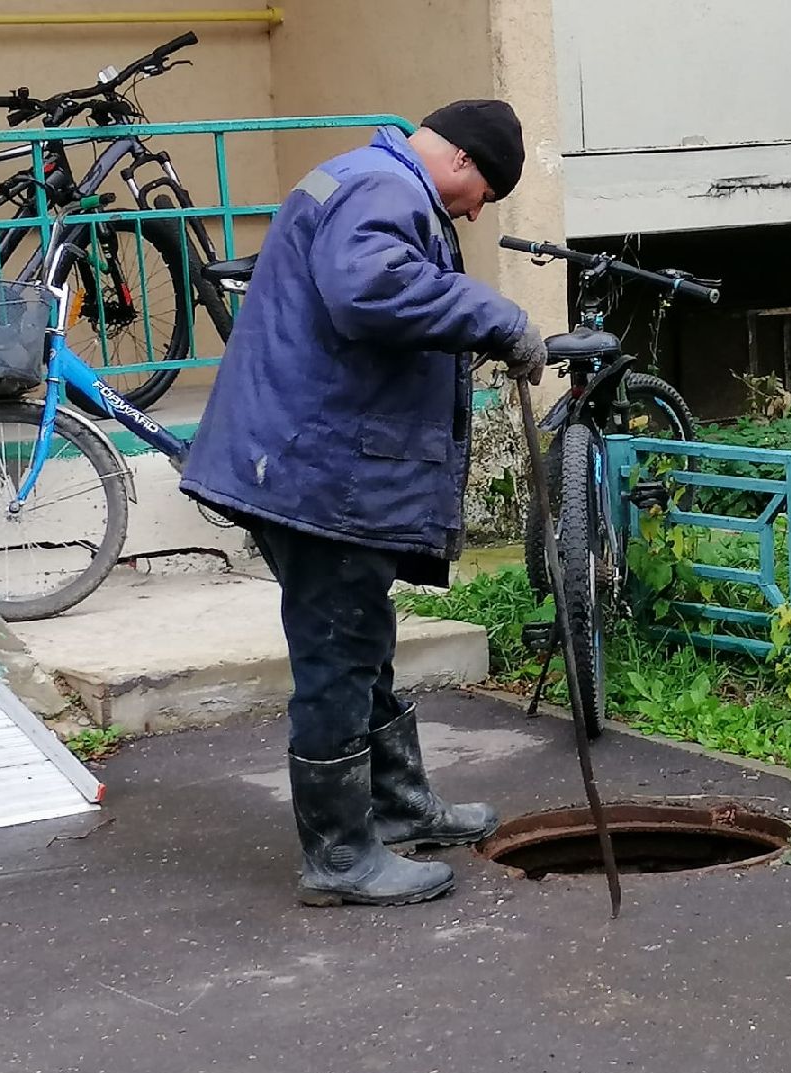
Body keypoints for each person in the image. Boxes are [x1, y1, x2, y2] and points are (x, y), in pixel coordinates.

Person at [179, 100, 547, 907]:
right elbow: (371, 293)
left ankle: (396, 802)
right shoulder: (385, 189)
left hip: (306, 461)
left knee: (358, 632)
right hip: (321, 472)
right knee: (338, 655)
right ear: (460, 162)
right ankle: (341, 857)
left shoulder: (359, 177)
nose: (477, 210)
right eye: (484, 190)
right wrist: (499, 316)